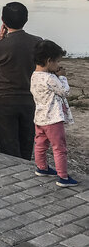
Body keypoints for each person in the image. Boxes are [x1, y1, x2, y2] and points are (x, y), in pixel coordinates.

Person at [0, 2, 42, 160]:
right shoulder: (37, 42)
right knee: (26, 145)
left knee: (8, 147)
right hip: (30, 100)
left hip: (5, 101)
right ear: (26, 19)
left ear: (3, 21)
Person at [31, 40, 78, 187]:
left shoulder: (34, 75)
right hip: (53, 119)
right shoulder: (50, 78)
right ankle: (63, 177)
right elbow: (64, 91)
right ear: (49, 60)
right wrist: (62, 76)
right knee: (59, 148)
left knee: (40, 144)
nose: (58, 66)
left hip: (40, 118)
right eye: (57, 62)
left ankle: (42, 168)